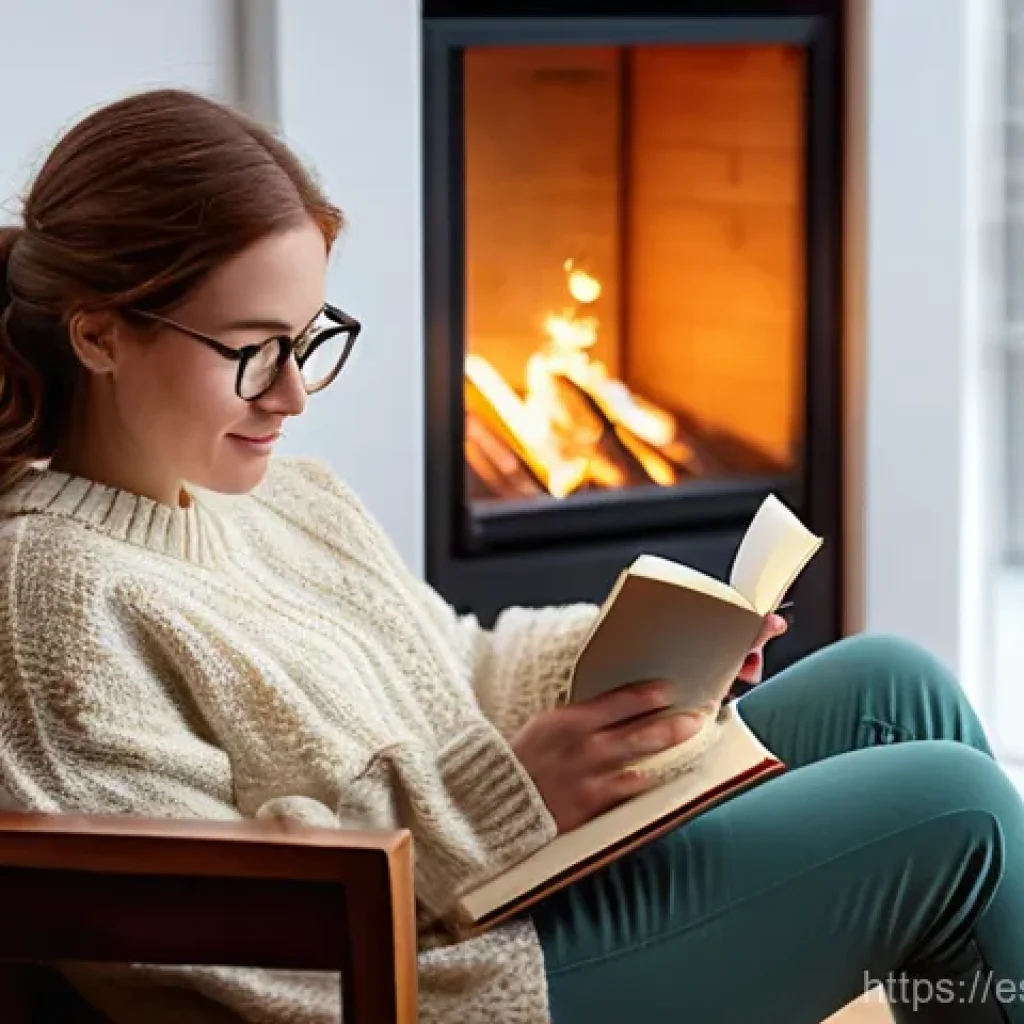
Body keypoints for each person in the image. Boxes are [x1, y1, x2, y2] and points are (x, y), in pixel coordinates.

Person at [0, 88, 1020, 1024]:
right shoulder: (53, 595)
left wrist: (631, 662)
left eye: (308, 340)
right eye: (251, 348)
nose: (293, 395)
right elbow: (187, 929)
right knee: (956, 808)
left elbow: (445, 666)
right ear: (98, 335)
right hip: (437, 981)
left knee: (894, 683)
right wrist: (504, 796)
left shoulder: (290, 502)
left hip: (515, 885)